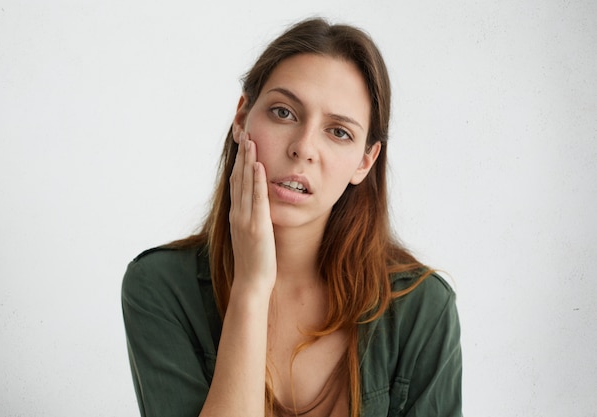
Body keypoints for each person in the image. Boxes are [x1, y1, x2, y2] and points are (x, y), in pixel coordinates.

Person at [121, 17, 462, 417]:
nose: (303, 148)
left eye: (338, 132)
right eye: (284, 112)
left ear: (365, 162)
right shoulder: (159, 287)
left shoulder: (423, 308)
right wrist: (251, 289)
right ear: (242, 116)